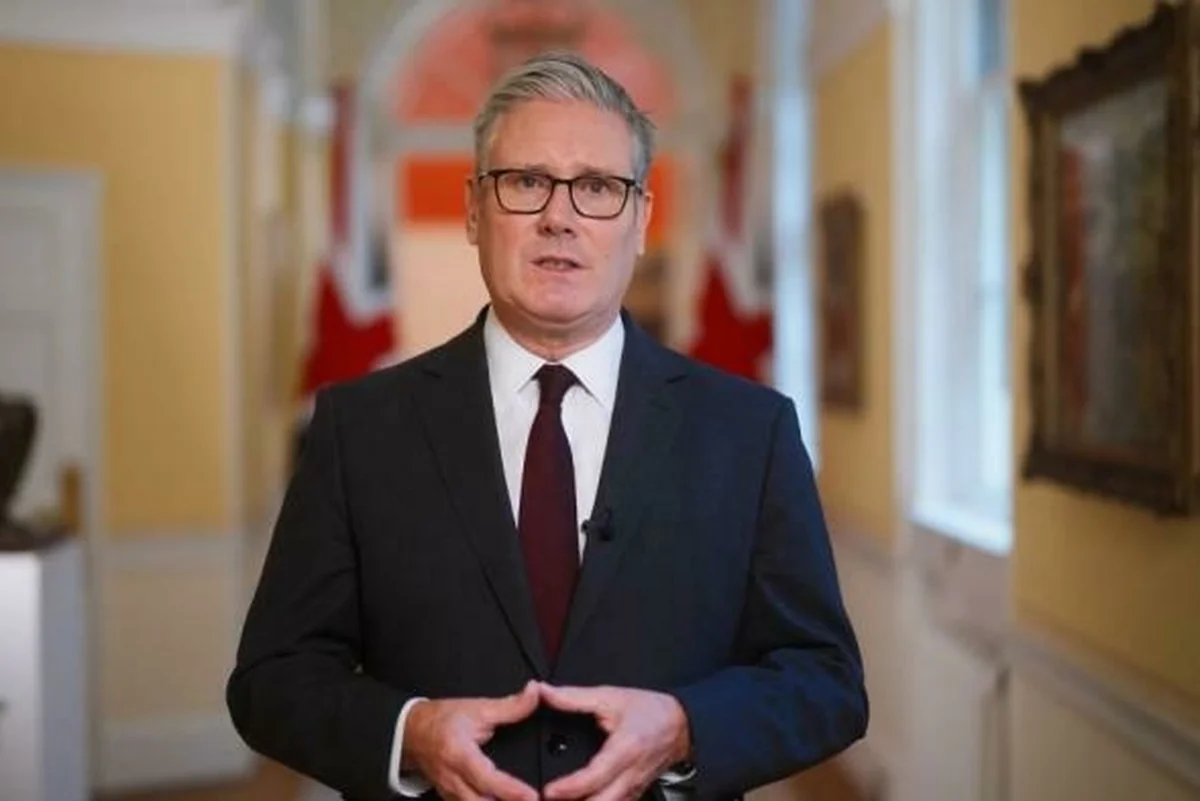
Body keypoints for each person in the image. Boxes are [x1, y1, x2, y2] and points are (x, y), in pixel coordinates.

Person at [227, 52, 866, 801]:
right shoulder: (358, 428)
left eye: (597, 187)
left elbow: (826, 680)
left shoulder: (750, 432)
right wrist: (410, 731)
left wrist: (685, 726)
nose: (559, 217)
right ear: (474, 209)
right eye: (527, 181)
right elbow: (272, 679)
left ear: (640, 218)